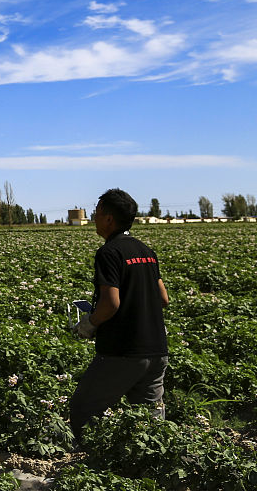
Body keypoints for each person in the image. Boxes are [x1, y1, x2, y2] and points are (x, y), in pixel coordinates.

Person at [68, 188, 170, 443]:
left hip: (123, 351)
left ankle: (91, 460)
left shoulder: (109, 252)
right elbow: (163, 298)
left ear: (109, 218)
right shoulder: (146, 251)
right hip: (157, 350)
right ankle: (151, 463)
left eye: (97, 212)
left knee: (84, 408)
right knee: (150, 425)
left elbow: (111, 303)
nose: (93, 218)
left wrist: (89, 323)